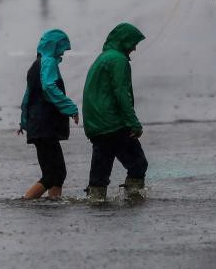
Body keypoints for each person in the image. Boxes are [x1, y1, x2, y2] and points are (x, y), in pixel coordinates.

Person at [82, 22, 148, 203]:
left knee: (99, 175)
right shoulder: (118, 60)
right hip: (114, 123)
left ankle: (96, 204)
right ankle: (133, 200)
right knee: (138, 164)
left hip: (96, 125)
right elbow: (122, 94)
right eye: (133, 43)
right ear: (125, 42)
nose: (134, 48)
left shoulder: (103, 58)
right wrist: (134, 124)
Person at [17, 29, 79, 200]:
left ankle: (55, 203)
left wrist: (24, 121)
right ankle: (26, 202)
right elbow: (49, 87)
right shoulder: (48, 62)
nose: (63, 53)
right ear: (54, 46)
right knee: (53, 174)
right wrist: (71, 108)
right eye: (62, 48)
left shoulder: (35, 64)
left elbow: (27, 96)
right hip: (45, 127)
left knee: (57, 173)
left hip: (38, 127)